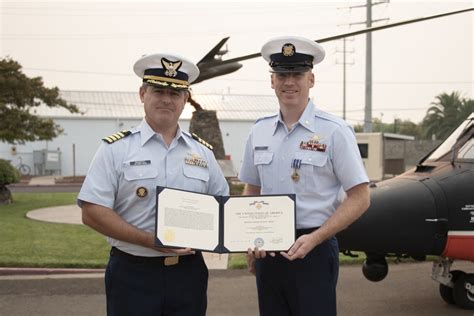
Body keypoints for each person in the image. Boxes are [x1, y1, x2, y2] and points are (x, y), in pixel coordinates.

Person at [77, 53, 229, 316]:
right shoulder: (116, 149)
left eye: (175, 93)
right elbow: (92, 212)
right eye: (159, 91)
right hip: (133, 273)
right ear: (142, 94)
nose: (167, 99)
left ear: (185, 99)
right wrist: (150, 240)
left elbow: (222, 208)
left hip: (188, 273)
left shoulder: (203, 153)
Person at [239, 36, 370, 316]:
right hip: (269, 251)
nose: (289, 82)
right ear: (271, 80)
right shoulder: (258, 131)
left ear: (311, 79)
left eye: (297, 74)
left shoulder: (335, 131)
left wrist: (317, 237)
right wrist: (249, 240)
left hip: (315, 249)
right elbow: (251, 190)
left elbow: (360, 197)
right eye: (282, 75)